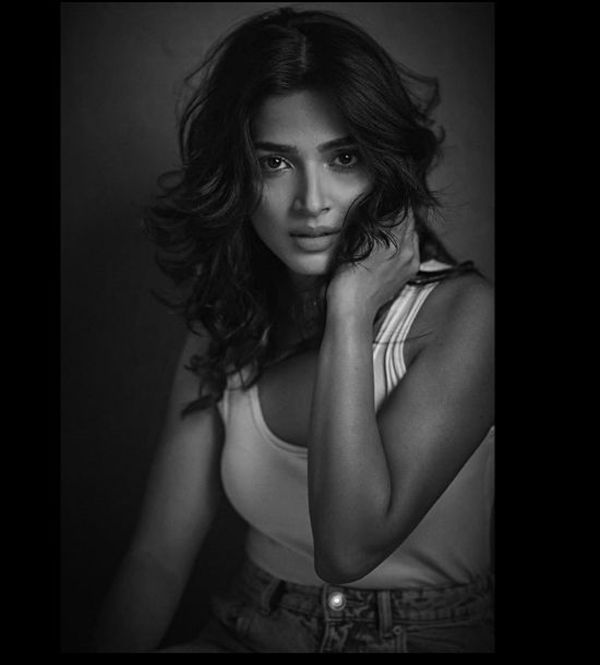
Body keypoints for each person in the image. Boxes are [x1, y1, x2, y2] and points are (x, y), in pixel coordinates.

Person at [91, 6, 494, 653]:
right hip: (245, 626)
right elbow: (157, 558)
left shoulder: (466, 316)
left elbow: (348, 548)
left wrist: (349, 310)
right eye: (275, 162)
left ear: (385, 165)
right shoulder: (226, 328)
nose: (312, 202)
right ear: (236, 173)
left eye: (344, 157)